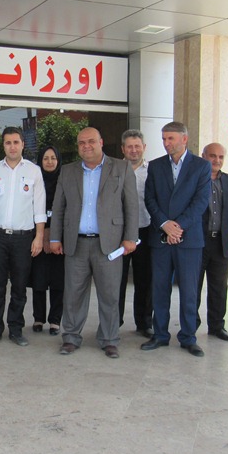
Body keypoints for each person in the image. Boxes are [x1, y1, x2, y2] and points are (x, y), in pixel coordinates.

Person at [50, 127, 138, 358]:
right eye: (81, 143)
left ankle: (109, 339)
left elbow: (131, 205)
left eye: (91, 141)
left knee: (110, 295)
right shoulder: (68, 171)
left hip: (109, 244)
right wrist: (55, 237)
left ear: (101, 142)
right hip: (75, 244)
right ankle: (71, 337)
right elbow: (58, 207)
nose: (86, 146)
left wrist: (130, 237)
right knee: (73, 294)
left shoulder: (121, 168)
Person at [142, 121, 211, 357]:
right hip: (161, 239)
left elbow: (200, 202)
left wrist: (177, 227)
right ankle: (160, 334)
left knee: (189, 292)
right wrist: (164, 225)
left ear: (184, 139)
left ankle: (188, 337)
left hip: (189, 240)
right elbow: (150, 199)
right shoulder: (155, 166)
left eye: (170, 138)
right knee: (159, 289)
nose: (166, 143)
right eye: (164, 139)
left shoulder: (201, 166)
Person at [0, 127, 46, 347]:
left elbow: (39, 208)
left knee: (19, 287)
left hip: (23, 239)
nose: (12, 146)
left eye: (16, 142)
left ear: (23, 144)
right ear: (3, 145)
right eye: (8, 143)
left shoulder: (34, 172)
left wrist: (39, 237)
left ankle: (15, 329)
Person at [196, 143, 228, 341]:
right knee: (193, 287)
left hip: (222, 244)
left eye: (221, 157)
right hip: (198, 243)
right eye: (212, 156)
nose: (217, 160)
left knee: (219, 288)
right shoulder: (195, 178)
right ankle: (191, 326)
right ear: (203, 156)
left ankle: (217, 327)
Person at [117, 129, 154, 338]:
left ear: (144, 148)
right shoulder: (114, 170)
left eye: (137, 146)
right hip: (119, 234)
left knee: (145, 280)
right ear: (123, 149)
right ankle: (115, 321)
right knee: (116, 280)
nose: (133, 150)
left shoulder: (153, 172)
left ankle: (144, 322)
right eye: (129, 146)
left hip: (145, 231)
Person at [29, 145, 64, 336]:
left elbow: (68, 210)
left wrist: (55, 235)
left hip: (60, 239)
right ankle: (38, 318)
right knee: (39, 280)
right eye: (45, 158)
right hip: (38, 237)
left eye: (53, 158)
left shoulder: (65, 181)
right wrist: (41, 235)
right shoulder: (35, 180)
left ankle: (55, 320)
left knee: (58, 281)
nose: (49, 162)